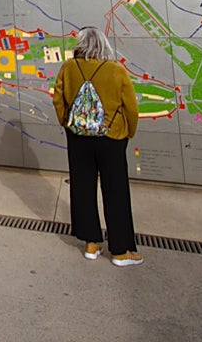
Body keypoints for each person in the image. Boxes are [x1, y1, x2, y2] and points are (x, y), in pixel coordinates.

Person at [51, 26, 143, 267]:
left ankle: (91, 243)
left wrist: (67, 124)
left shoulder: (69, 68)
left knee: (82, 187)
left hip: (78, 137)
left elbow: (58, 99)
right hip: (111, 138)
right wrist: (128, 132)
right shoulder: (115, 71)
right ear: (104, 44)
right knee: (116, 191)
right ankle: (121, 251)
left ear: (80, 44)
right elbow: (131, 108)